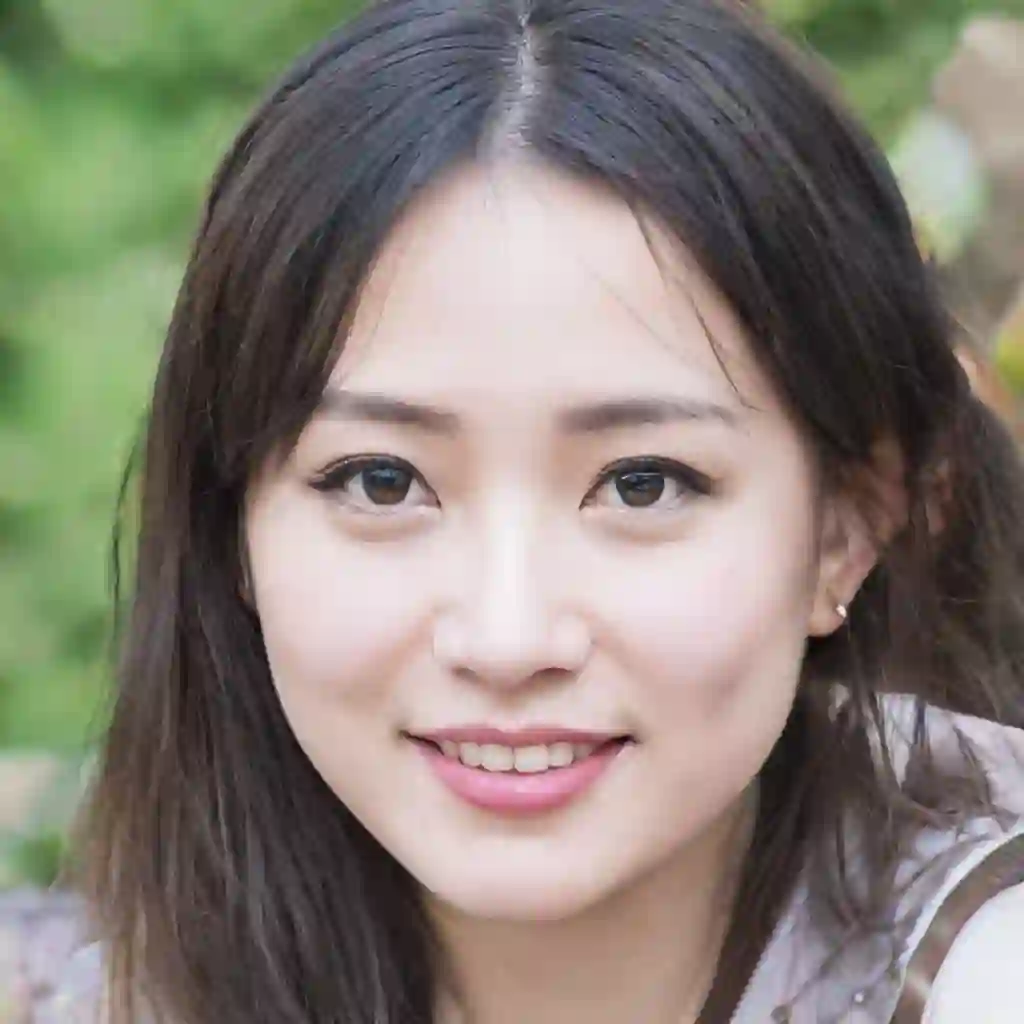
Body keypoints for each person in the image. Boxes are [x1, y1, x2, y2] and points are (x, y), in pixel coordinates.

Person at [56, 0, 1024, 1021]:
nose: (507, 639)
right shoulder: (134, 984)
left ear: (846, 528)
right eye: (382, 481)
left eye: (642, 483)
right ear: (234, 528)